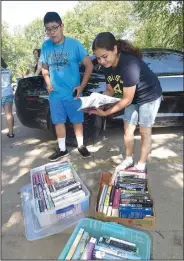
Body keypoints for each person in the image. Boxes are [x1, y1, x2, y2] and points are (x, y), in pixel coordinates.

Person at [91, 32, 162, 176]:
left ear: (115, 49)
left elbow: (126, 100)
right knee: (128, 130)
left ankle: (141, 164)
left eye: (104, 56)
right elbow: (110, 90)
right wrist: (95, 100)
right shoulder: (106, 66)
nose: (102, 61)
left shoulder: (129, 64)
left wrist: (106, 113)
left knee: (144, 132)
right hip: (132, 97)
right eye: (98, 58)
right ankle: (129, 159)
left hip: (149, 96)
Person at [40, 12, 94, 161]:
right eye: (48, 29)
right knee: (58, 122)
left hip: (73, 93)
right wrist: (48, 83)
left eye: (54, 28)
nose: (51, 32)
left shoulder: (75, 44)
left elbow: (89, 66)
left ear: (62, 26)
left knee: (77, 121)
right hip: (55, 94)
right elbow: (44, 69)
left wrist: (81, 87)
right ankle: (63, 149)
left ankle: (81, 146)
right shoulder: (45, 46)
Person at [1, 57, 15, 138]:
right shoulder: (8, 68)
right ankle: (11, 133)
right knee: (9, 114)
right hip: (8, 92)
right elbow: (10, 80)